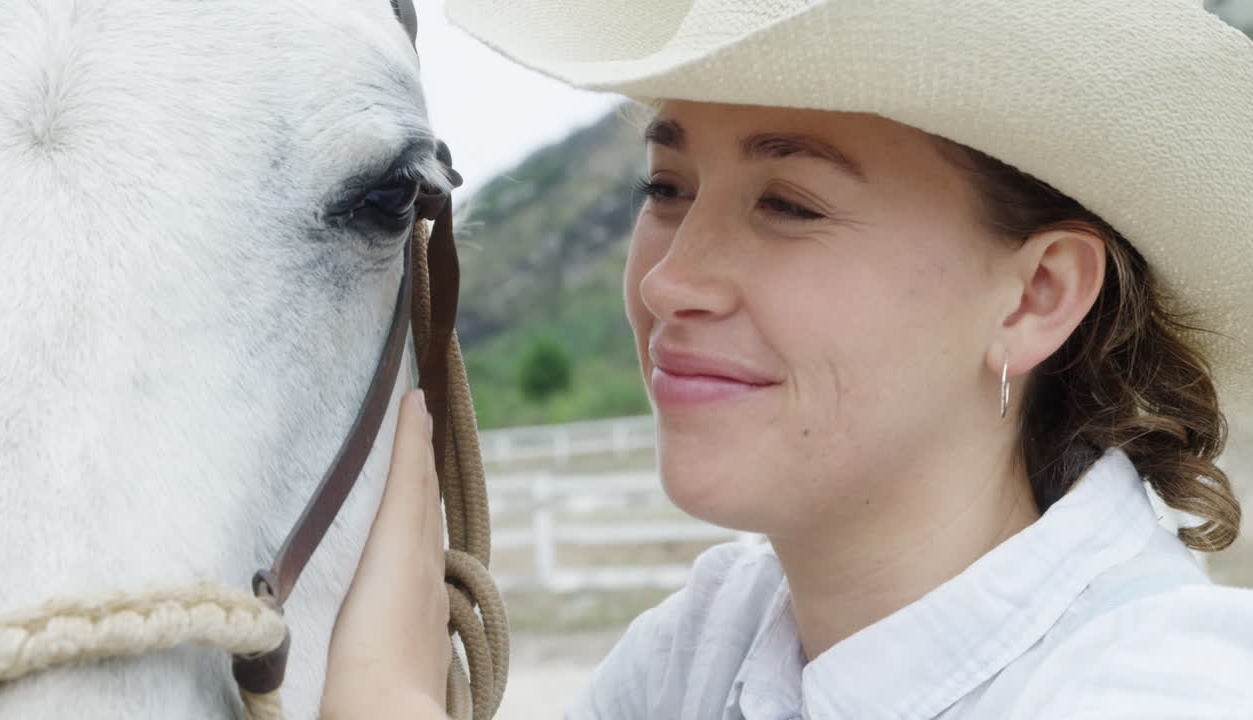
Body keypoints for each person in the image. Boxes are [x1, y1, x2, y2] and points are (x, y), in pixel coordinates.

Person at [320, 1, 1253, 717]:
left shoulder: (1166, 690)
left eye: (790, 205)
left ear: (1037, 294)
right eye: (666, 187)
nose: (670, 281)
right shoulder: (707, 647)